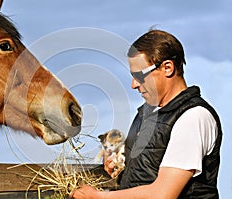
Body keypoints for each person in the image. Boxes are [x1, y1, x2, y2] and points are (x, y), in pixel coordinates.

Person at [71, 29, 222, 199]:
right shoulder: (146, 114)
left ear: (167, 68)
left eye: (139, 75)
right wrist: (120, 166)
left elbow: (162, 194)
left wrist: (97, 197)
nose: (133, 84)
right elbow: (145, 172)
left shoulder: (194, 117)